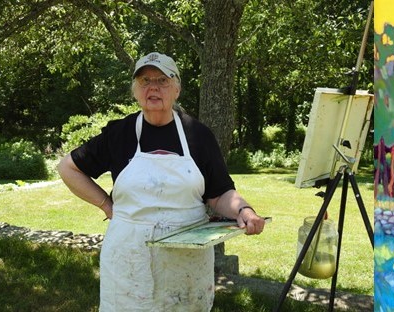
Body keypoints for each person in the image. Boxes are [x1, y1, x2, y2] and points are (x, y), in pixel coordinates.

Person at [57, 52, 266, 311]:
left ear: (176, 88)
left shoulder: (198, 135)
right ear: (135, 90)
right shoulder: (119, 133)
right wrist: (106, 205)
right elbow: (67, 168)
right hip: (129, 259)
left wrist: (244, 210)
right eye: (145, 81)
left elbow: (219, 193)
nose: (153, 87)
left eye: (162, 80)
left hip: (186, 263)